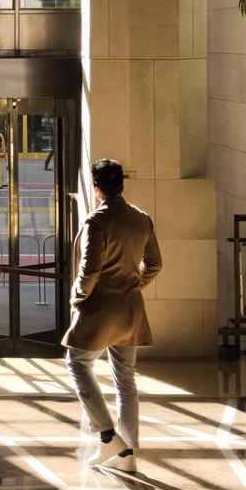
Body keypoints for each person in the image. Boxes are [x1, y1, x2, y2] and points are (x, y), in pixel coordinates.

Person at [63, 158, 161, 473]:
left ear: (96, 188)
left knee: (77, 363)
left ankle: (107, 435)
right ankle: (127, 453)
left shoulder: (97, 221)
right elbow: (155, 263)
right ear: (122, 185)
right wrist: (134, 284)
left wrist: (78, 295)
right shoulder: (142, 219)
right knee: (126, 379)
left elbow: (90, 268)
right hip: (130, 308)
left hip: (99, 308)